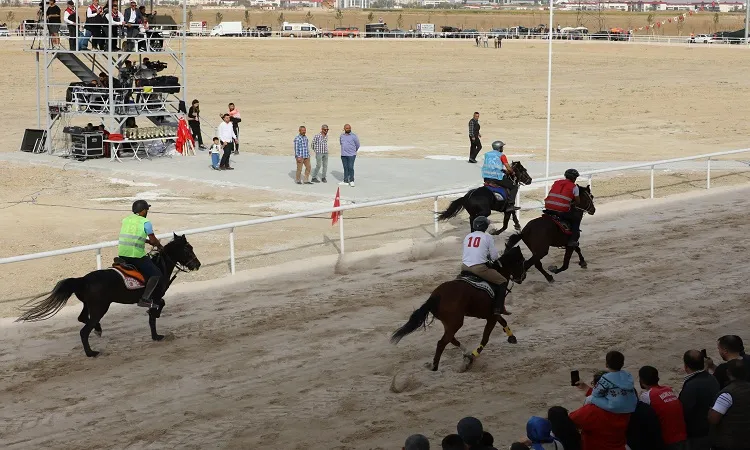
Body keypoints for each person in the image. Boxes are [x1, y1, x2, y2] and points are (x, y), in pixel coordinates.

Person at [117, 200, 163, 309]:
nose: (147, 211)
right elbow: (153, 240)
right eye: (147, 210)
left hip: (122, 253)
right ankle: (145, 299)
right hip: (135, 255)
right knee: (156, 274)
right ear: (142, 211)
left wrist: (145, 241)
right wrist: (159, 245)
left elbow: (132, 236)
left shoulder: (126, 220)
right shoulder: (145, 222)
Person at [461, 216, 509, 316]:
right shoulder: (488, 237)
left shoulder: (468, 236)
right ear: (485, 226)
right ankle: (498, 308)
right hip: (479, 269)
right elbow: (494, 256)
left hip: (464, 267)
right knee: (503, 281)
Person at [679, 350, 720, 450]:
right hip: (713, 430)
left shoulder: (691, 385)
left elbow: (684, 410)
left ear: (686, 367)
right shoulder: (712, 378)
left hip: (697, 434)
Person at [638, 366, 687, 449]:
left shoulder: (647, 396)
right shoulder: (668, 389)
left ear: (642, 381)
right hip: (683, 436)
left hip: (668, 441)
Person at [707, 359, 750, 450]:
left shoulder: (727, 394)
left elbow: (713, 419)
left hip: (729, 443)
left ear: (728, 373)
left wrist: (711, 409)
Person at [544, 168, 582, 246]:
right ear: (574, 178)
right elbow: (577, 202)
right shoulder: (574, 187)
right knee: (576, 219)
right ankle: (572, 240)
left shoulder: (556, 183)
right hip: (561, 211)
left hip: (548, 208)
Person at [482, 140, 515, 205]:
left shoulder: (487, 154)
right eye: (502, 147)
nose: (502, 148)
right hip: (496, 177)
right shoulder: (502, 155)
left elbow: (492, 165)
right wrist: (512, 172)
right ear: (499, 148)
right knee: (514, 187)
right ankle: (510, 203)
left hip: (485, 177)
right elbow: (508, 167)